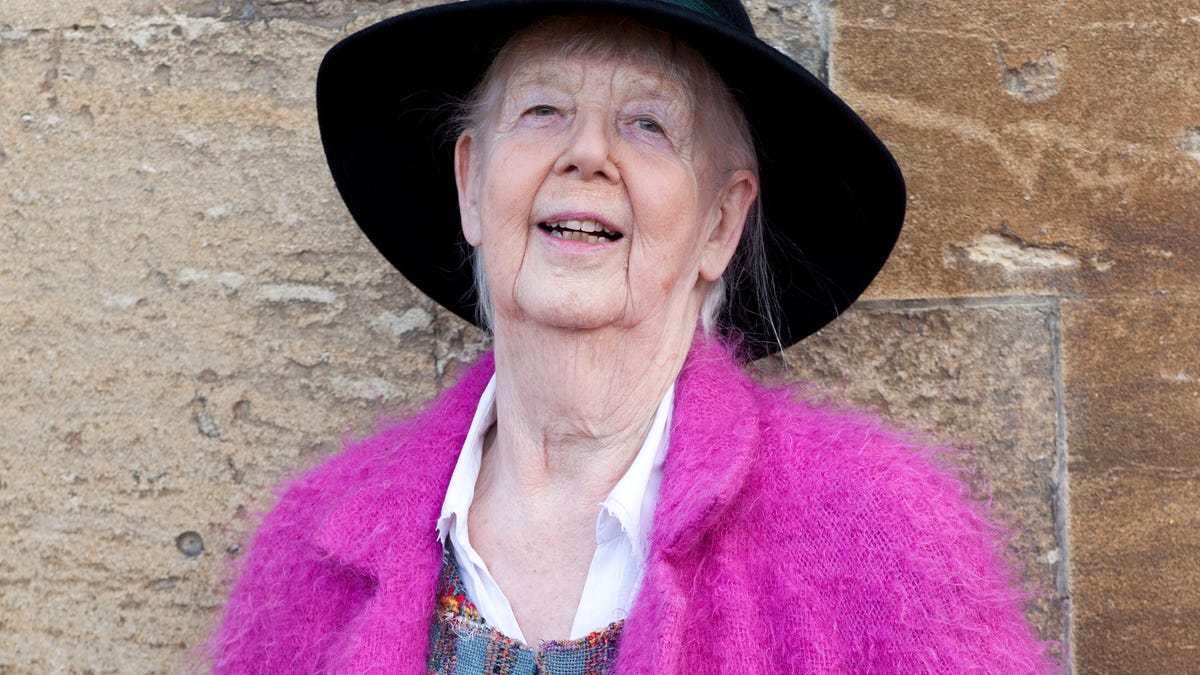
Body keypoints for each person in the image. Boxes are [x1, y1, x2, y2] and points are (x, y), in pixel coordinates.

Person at [208, 0, 1056, 671]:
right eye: (543, 109)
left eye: (648, 124)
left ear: (721, 223)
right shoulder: (309, 546)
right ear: (472, 184)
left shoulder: (880, 534)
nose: (587, 153)